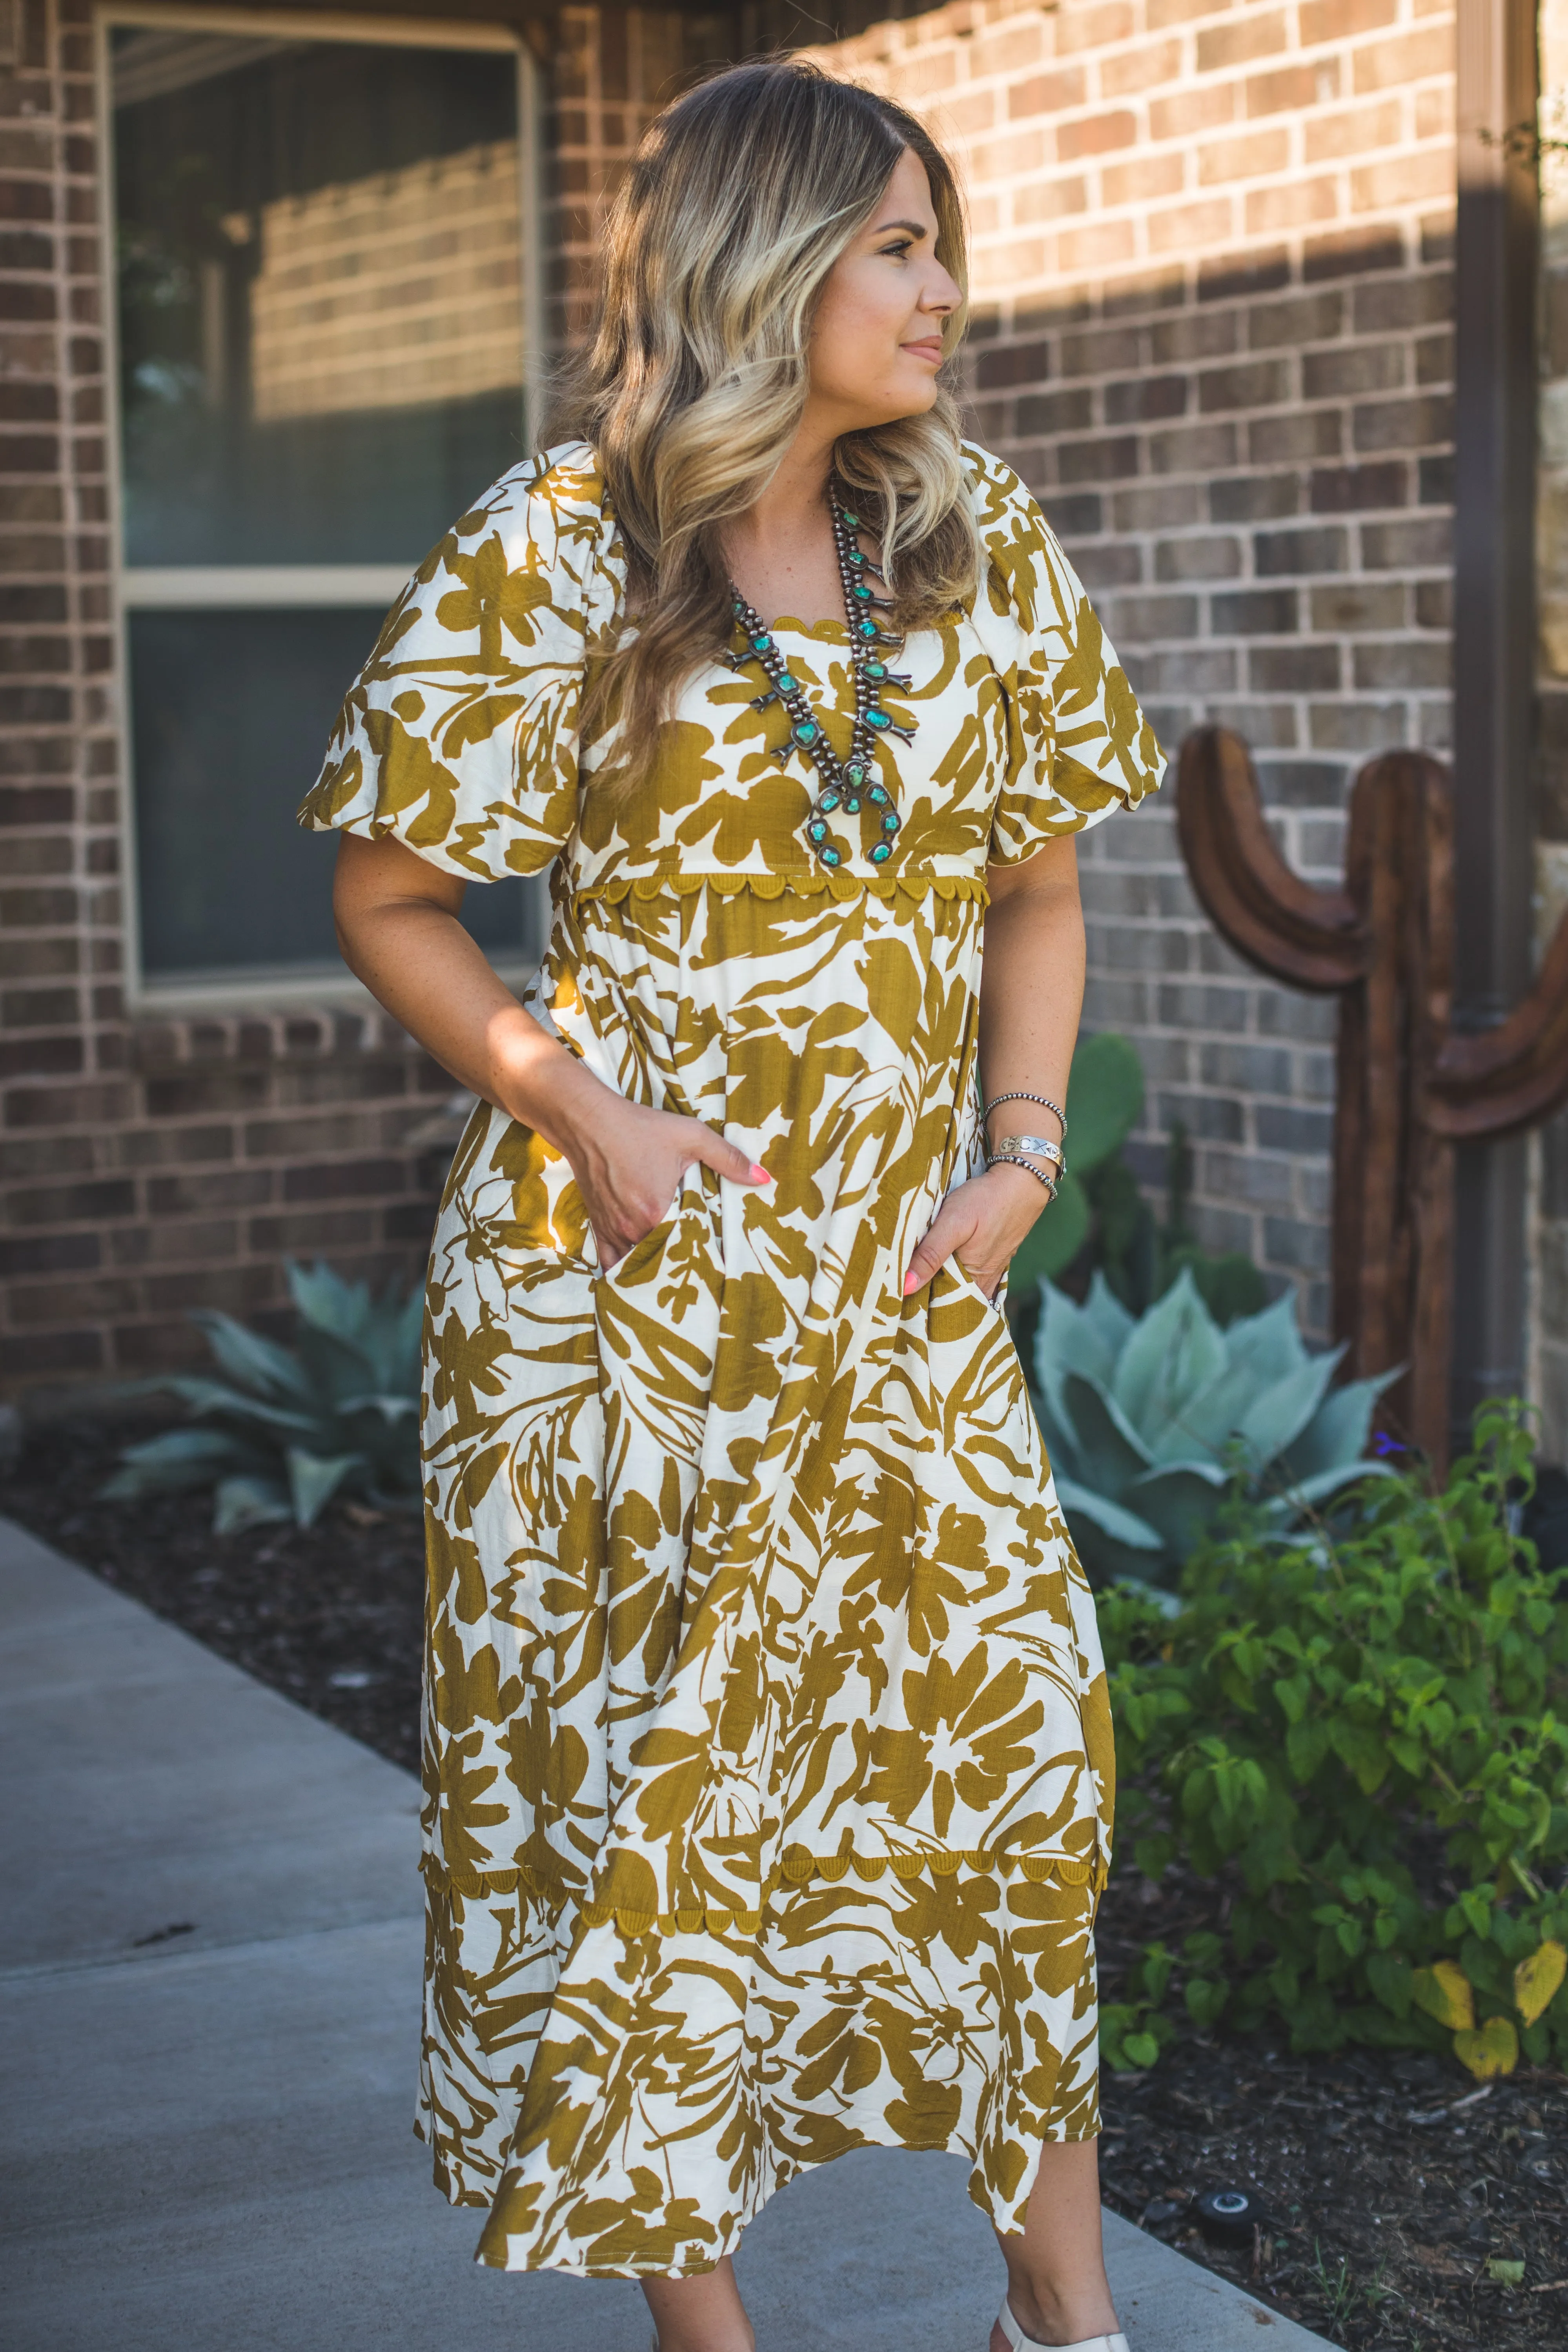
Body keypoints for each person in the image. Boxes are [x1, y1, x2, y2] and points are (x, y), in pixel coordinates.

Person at [300, 56, 1161, 2352]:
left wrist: (1019, 1150)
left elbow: (1041, 891)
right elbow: (394, 895)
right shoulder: (559, 547)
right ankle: (711, 2330)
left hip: (896, 1289)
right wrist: (574, 1104)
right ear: (765, 260)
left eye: (936, 236)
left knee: (1015, 1766)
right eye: (893, 240)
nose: (940, 285)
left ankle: (1055, 2311)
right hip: (629, 1297)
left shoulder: (971, 537)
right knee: (651, 1809)